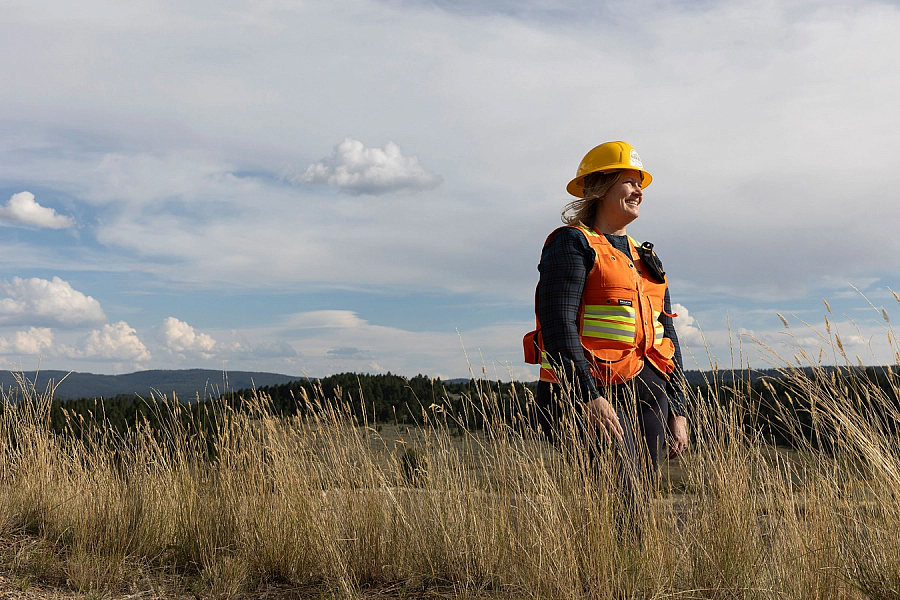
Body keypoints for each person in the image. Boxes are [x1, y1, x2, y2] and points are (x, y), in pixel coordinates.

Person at [523, 141, 688, 491]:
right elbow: (557, 325)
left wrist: (679, 408)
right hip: (590, 395)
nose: (638, 190)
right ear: (599, 187)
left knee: (640, 504)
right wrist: (587, 395)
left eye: (640, 183)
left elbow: (666, 336)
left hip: (648, 396)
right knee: (621, 502)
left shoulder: (647, 258)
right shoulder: (572, 243)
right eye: (629, 181)